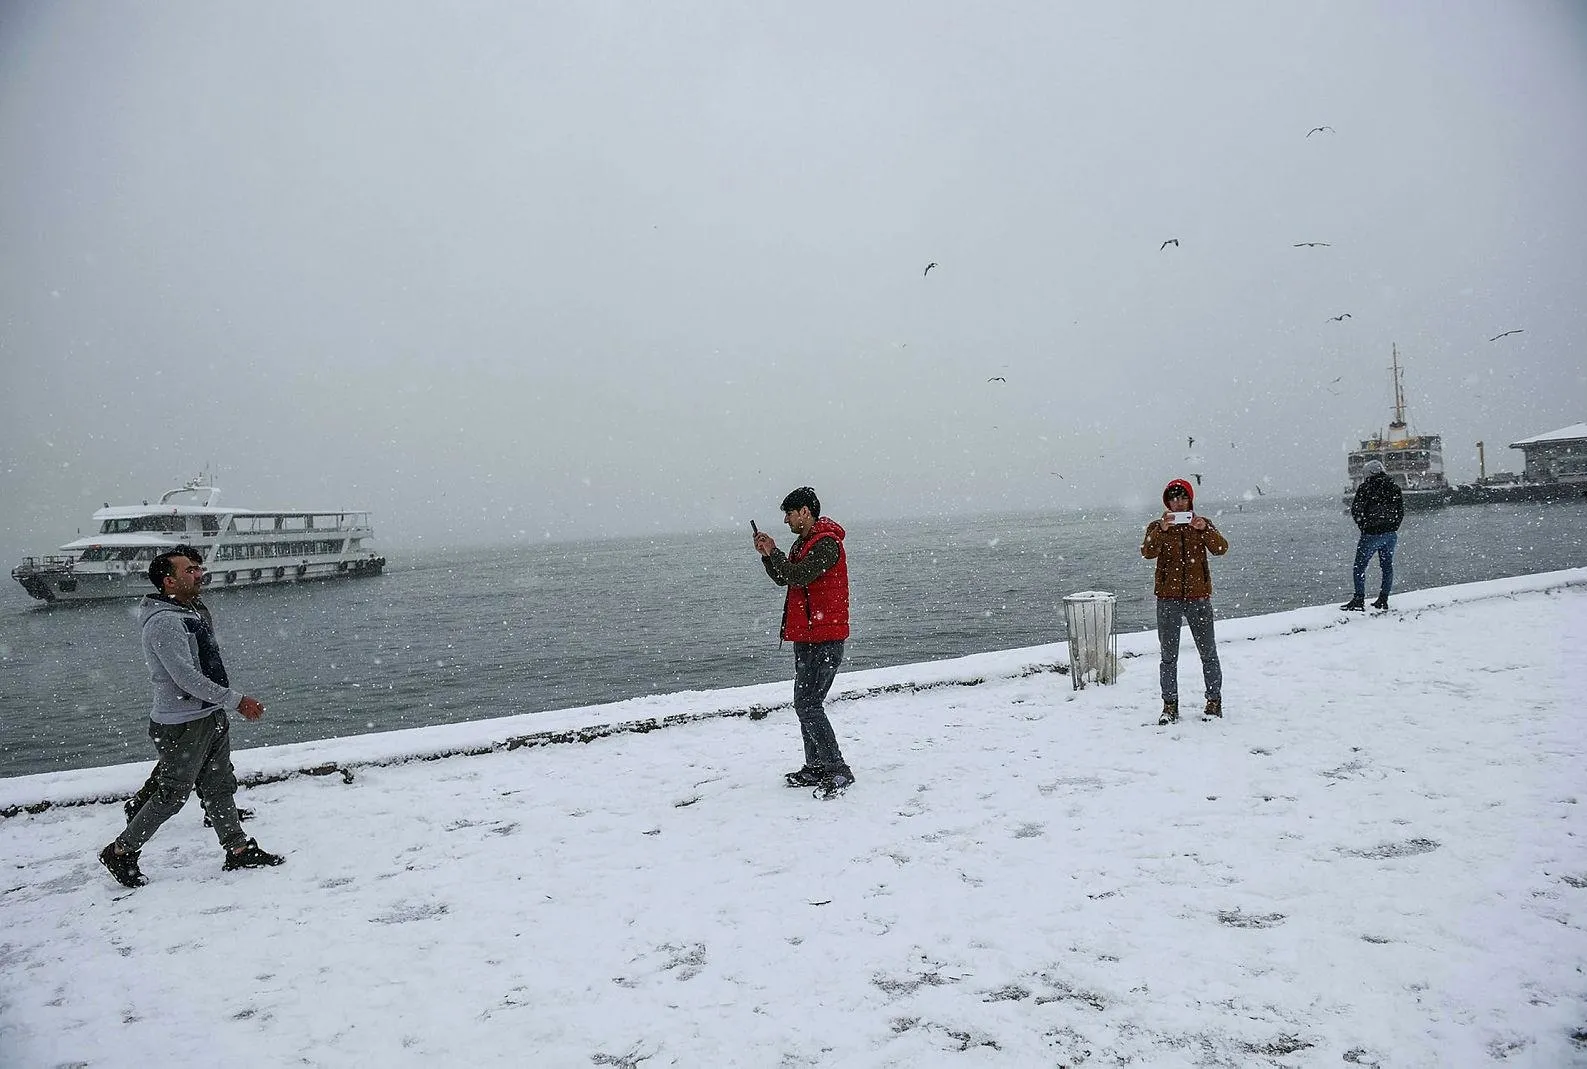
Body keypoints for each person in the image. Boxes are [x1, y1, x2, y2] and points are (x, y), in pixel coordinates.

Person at [98, 546, 285, 887]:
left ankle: (237, 849)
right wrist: (236, 700)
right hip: (183, 723)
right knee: (172, 796)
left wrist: (221, 704)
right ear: (168, 581)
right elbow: (185, 677)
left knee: (218, 784)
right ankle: (121, 851)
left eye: (198, 568)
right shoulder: (165, 622)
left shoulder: (188, 611)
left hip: (208, 714)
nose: (199, 574)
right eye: (190, 570)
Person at [753, 487, 856, 797]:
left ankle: (837, 769)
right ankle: (816, 767)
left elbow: (798, 575)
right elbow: (785, 578)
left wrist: (774, 552)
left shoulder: (827, 544)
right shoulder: (803, 543)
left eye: (789, 513)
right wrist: (768, 556)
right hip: (809, 637)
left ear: (805, 512)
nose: (786, 520)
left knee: (807, 705)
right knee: (806, 704)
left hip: (824, 638)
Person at [1141, 478, 1229, 725]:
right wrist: (1161, 530)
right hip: (1167, 600)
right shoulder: (1157, 526)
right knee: (1168, 657)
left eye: (1183, 498)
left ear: (1190, 500)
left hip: (1198, 598)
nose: (1178, 503)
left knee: (1208, 653)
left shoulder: (1202, 524)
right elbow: (1147, 552)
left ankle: (1214, 701)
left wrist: (1205, 529)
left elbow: (1221, 548)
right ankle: (1169, 706)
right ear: (1167, 502)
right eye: (1174, 499)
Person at [1343, 458, 1404, 611]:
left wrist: (1365, 527)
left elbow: (1356, 510)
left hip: (1371, 534)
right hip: (1390, 534)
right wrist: (1393, 527)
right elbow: (1400, 511)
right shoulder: (1394, 487)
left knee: (1359, 567)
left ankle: (1359, 599)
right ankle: (1383, 599)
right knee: (1387, 566)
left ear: (1369, 473)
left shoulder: (1365, 487)